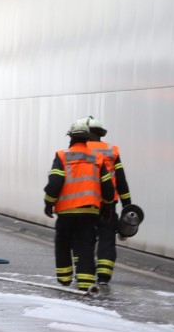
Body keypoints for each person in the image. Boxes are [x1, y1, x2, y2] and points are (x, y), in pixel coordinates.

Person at [43, 119, 115, 291]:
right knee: (85, 246)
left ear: (71, 138)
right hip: (89, 212)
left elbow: (55, 182)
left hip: (66, 212)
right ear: (87, 138)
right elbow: (107, 186)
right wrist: (106, 206)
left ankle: (64, 280)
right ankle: (85, 284)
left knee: (63, 244)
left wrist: (49, 203)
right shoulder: (97, 158)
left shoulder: (62, 156)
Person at [85, 116, 135, 285]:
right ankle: (104, 276)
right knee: (107, 239)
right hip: (109, 204)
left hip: (86, 203)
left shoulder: (79, 150)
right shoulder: (112, 151)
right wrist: (127, 205)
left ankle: (85, 273)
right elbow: (121, 180)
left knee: (85, 238)